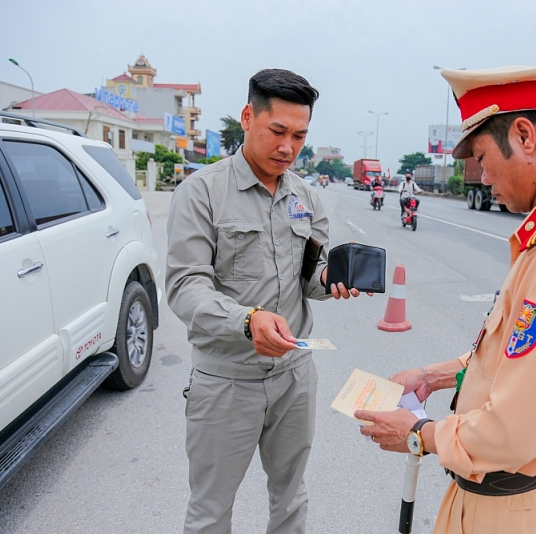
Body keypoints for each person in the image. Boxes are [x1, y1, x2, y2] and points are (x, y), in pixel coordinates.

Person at [356, 64, 536, 533]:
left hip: (505, 510)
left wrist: (419, 434)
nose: (482, 177)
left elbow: (513, 428)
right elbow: (520, 365)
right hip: (519, 498)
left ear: (525, 136)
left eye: (482, 157)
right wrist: (435, 376)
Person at [166, 69, 367, 534]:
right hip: (227, 381)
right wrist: (248, 319)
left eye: (299, 136)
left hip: (294, 378)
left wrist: (333, 282)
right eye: (277, 131)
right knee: (210, 511)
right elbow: (184, 285)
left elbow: (308, 278)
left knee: (291, 498)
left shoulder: (307, 197)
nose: (288, 148)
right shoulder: (202, 193)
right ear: (247, 117)